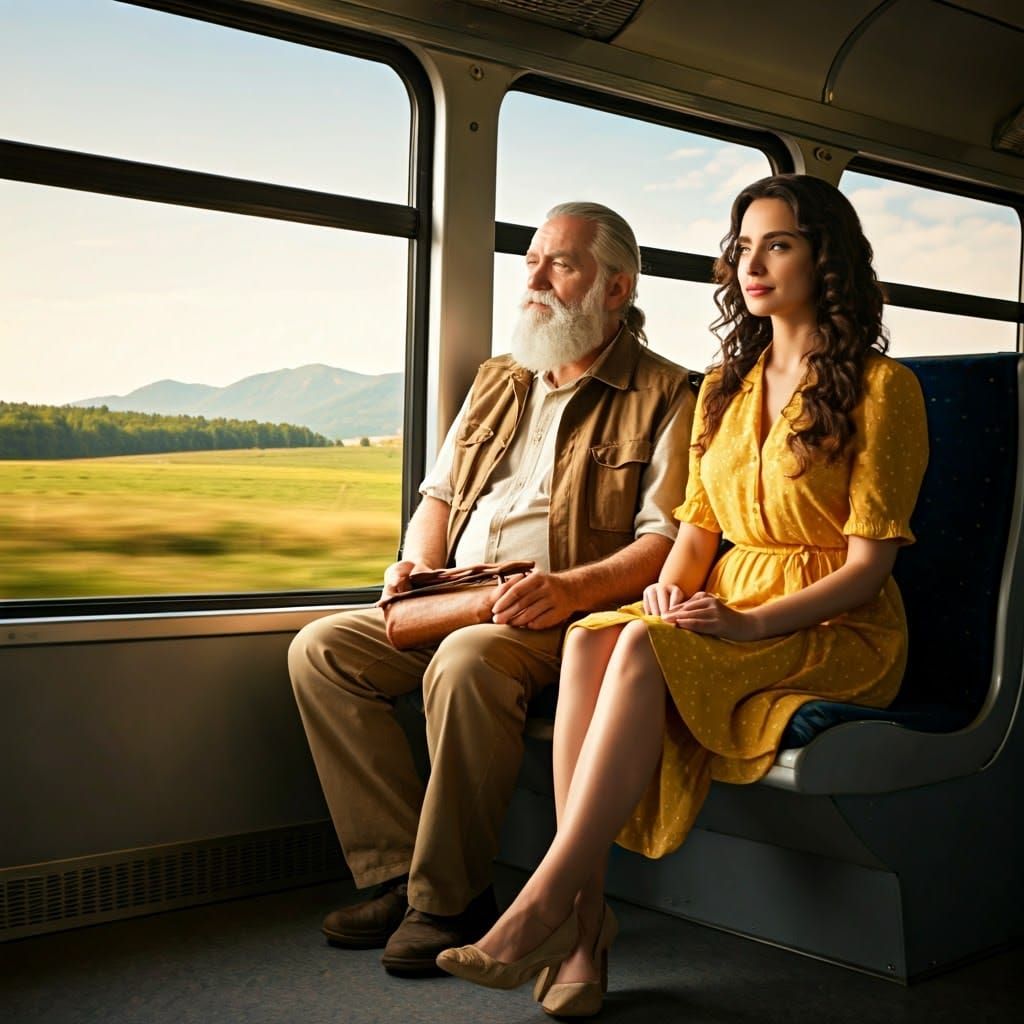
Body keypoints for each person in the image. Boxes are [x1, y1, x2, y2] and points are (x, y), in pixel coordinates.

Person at [436, 174, 929, 1016]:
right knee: (600, 631)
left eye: (778, 244)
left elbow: (868, 568)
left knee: (634, 645)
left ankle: (551, 909)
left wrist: (745, 624)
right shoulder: (727, 387)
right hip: (722, 595)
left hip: (832, 620)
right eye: (744, 247)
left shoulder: (885, 390)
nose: (754, 263)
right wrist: (666, 597)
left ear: (827, 259)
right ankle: (583, 929)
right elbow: (697, 534)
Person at [288, 201, 696, 975]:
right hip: (453, 592)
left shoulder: (669, 393)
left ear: (616, 288)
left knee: (468, 660)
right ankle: (395, 876)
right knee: (321, 651)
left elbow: (663, 543)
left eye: (561, 264)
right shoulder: (499, 379)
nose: (534, 279)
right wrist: (411, 567)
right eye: (533, 260)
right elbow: (437, 499)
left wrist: (569, 590)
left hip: (565, 615)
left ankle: (450, 899)